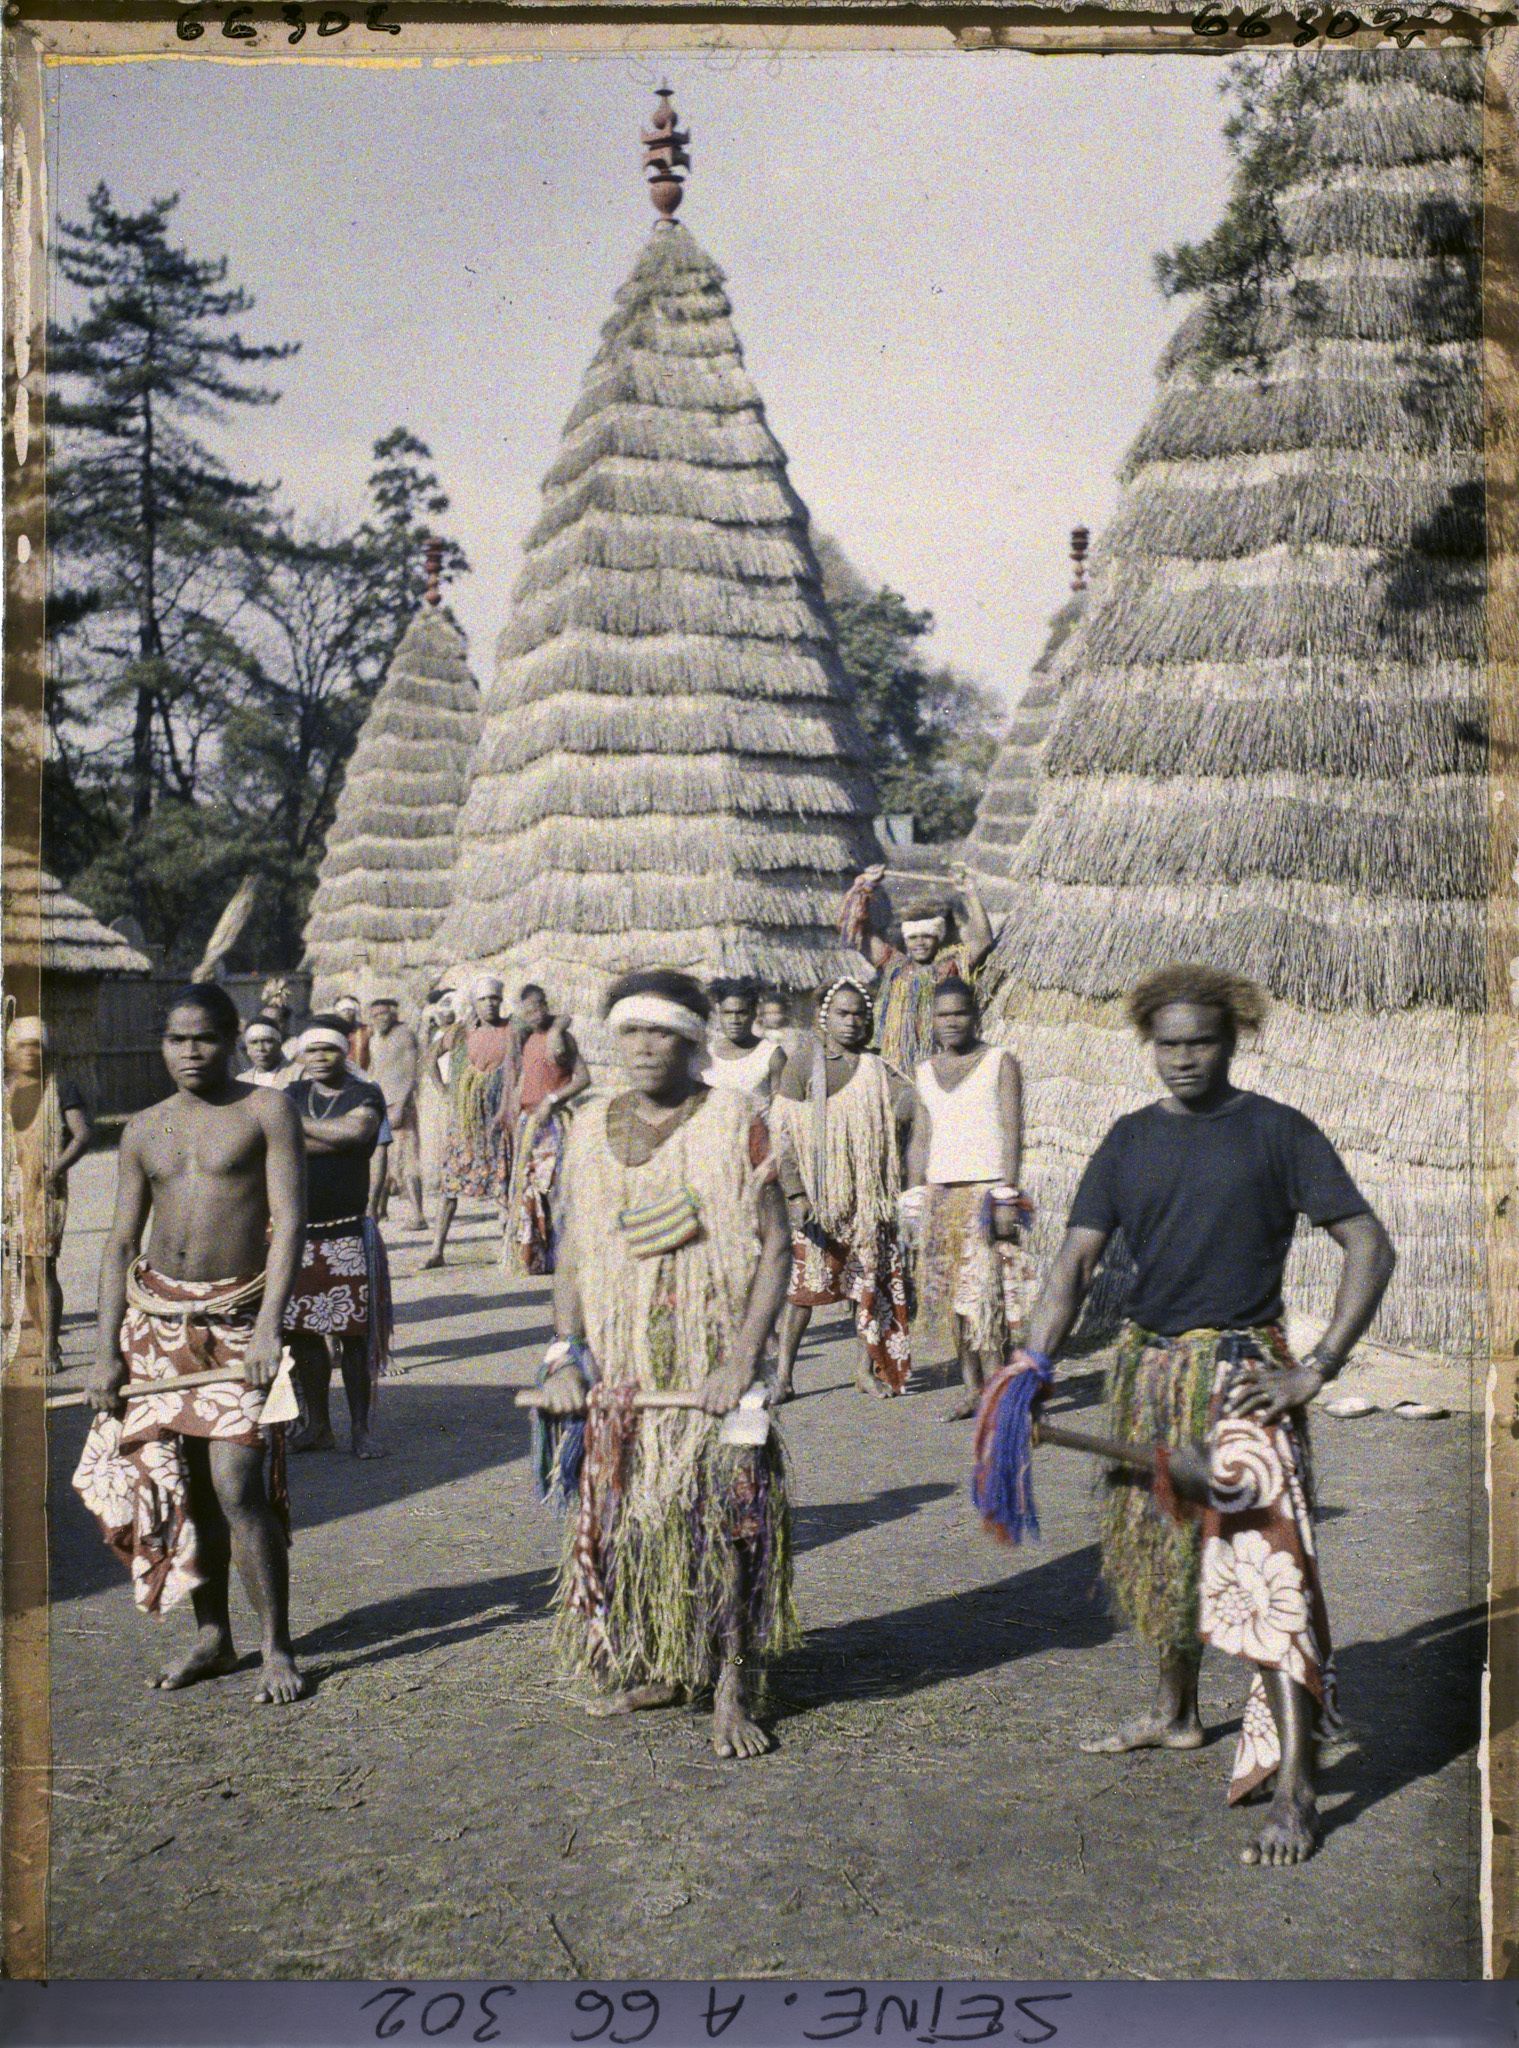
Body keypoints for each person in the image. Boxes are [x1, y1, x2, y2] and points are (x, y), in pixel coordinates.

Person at [1009, 962, 1396, 1868]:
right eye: (1168, 1045)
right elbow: (1071, 1265)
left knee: (1269, 1584)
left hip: (1243, 1378)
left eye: (1201, 1043)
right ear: (1149, 1045)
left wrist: (1317, 1369)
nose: (1182, 1060)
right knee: (1158, 1558)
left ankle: (1297, 1790)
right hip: (1147, 1370)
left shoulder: (1278, 1132)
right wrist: (1031, 1360)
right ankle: (1176, 1713)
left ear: (1232, 1042)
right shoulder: (1126, 1140)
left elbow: (1367, 1241)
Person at [536, 969, 796, 1758]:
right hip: (622, 1365)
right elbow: (575, 1251)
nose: (646, 1049)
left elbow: (777, 1246)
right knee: (635, 1521)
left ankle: (730, 1685)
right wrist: (563, 1355)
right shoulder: (585, 1129)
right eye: (633, 1032)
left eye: (664, 1033)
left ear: (692, 1040)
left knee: (730, 1522)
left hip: (712, 1362)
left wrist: (742, 1358)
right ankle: (660, 1664)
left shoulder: (735, 1120)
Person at [72, 983, 306, 1703]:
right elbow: (118, 1242)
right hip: (155, 1323)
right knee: (180, 1488)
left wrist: (269, 1326)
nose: (190, 1052)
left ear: (233, 1037)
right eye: (176, 1039)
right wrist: (105, 1349)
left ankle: (276, 1646)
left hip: (237, 1323)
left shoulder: (266, 1110)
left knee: (237, 1484)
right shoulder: (143, 1129)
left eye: (204, 1037)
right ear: (161, 1044)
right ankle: (214, 1638)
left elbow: (288, 1223)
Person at [768, 978, 915, 1403]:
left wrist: (914, 1100)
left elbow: (906, 1102)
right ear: (824, 1018)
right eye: (842, 1014)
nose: (850, 1022)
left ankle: (862, 1370)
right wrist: (796, 1195)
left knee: (867, 1286)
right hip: (816, 1198)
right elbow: (784, 1136)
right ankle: (784, 1375)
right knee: (803, 1291)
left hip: (864, 1198)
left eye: (858, 1015)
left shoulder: (875, 1066)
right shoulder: (803, 1063)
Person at [904, 978, 1030, 1421]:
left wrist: (1005, 1195)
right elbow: (921, 1137)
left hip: (984, 1193)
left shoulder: (999, 1061)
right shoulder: (923, 1071)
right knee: (950, 1299)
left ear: (975, 1016)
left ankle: (998, 1390)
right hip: (941, 1196)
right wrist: (916, 1194)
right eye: (943, 1014)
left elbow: (1013, 1131)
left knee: (985, 1300)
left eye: (960, 1012)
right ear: (932, 1021)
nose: (952, 1021)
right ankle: (972, 1387)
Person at [282, 1017, 392, 1459]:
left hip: (347, 1231)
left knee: (354, 1337)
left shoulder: (365, 1093)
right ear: (303, 1056)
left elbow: (358, 1133)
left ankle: (361, 1430)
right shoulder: (291, 1094)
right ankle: (319, 1426)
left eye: (328, 1050)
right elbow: (276, 1140)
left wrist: (294, 1129)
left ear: (344, 1052)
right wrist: (333, 1137)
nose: (320, 1058)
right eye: (312, 1051)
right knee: (303, 1336)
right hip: (297, 1233)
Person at [838, 859, 995, 1075]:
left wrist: (970, 893)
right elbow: (857, 934)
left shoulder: (950, 966)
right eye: (914, 938)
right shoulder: (894, 964)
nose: (920, 943)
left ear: (937, 938)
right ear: (906, 940)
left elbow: (983, 940)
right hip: (897, 1064)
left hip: (941, 1060)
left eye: (926, 937)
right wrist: (864, 887)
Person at [4, 1015, 93, 1371]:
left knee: (43, 1267)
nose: (29, 1052)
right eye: (22, 1045)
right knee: (22, 1270)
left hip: (44, 1190)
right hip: (9, 1192)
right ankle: (39, 1335)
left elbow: (84, 1134)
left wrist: (56, 1167)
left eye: (36, 1045)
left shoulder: (61, 1087)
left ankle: (51, 1347)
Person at [424, 974, 517, 1269]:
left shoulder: (511, 1030)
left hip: (498, 1118)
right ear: (475, 1003)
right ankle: (436, 1250)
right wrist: (444, 1090)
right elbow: (430, 1057)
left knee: (504, 1184)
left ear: (501, 1002)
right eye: (484, 999)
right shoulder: (462, 1031)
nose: (490, 1004)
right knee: (450, 1186)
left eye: (494, 999)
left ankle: (509, 1248)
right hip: (464, 1119)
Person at [503, 985, 589, 1277]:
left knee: (554, 1187)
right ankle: (538, 1257)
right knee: (528, 1191)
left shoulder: (561, 1038)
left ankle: (564, 1254)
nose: (535, 1014)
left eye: (539, 1007)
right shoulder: (528, 1038)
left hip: (553, 1123)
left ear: (546, 1004)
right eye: (528, 1010)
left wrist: (552, 1100)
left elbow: (583, 1078)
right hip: (529, 1124)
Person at [367, 996, 426, 1232]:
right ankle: (379, 1210)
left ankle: (417, 1214)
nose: (380, 1018)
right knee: (383, 1158)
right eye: (375, 1015)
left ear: (393, 1014)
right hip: (381, 1104)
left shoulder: (403, 1035)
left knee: (407, 1161)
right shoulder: (373, 1040)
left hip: (399, 1105)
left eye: (384, 1013)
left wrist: (401, 1105)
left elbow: (412, 1073)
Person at [700, 978, 787, 1106]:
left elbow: (781, 1111)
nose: (734, 1020)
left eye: (742, 1013)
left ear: (753, 1013)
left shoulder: (771, 1055)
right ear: (719, 1013)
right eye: (728, 1013)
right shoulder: (706, 1054)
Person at [239, 1014, 295, 1089]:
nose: (261, 1048)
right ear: (247, 1048)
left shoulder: (297, 1073)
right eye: (254, 1042)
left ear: (279, 1044)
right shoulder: (242, 1081)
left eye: (267, 1041)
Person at [756, 988, 803, 1063]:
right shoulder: (758, 1033)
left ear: (785, 1014)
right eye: (768, 1013)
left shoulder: (792, 1034)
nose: (772, 1017)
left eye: (776, 1013)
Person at [334, 994, 369, 1071]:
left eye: (351, 1009)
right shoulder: (332, 1032)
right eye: (343, 1008)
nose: (347, 1012)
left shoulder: (367, 1031)